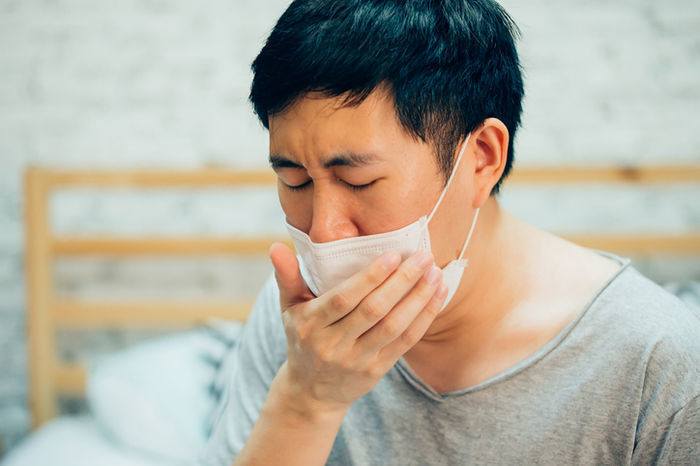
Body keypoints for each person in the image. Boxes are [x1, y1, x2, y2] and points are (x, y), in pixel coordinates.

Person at [201, 0, 700, 464]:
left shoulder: (653, 359)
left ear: (481, 158)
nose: (324, 232)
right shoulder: (306, 322)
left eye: (359, 180)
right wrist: (306, 400)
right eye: (295, 180)